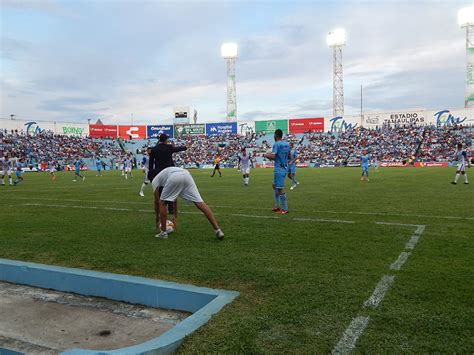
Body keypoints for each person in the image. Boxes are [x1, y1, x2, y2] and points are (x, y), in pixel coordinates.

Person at [151, 166, 224, 240]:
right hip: (187, 174)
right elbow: (174, 199)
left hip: (175, 176)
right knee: (200, 203)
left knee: (162, 202)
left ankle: (163, 233)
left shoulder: (155, 180)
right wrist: (175, 216)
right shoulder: (164, 175)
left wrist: (157, 218)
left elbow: (157, 202)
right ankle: (218, 230)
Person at [148, 134, 187, 214]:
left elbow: (151, 163)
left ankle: (159, 208)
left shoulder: (154, 149)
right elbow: (177, 149)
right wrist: (185, 147)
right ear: (166, 140)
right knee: (170, 190)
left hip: (158, 172)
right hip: (169, 172)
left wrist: (151, 172)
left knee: (159, 190)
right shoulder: (169, 147)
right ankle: (171, 209)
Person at [264, 129, 290, 214]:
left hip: (279, 169)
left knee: (280, 188)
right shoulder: (287, 144)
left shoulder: (276, 144)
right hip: (284, 167)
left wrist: (266, 155)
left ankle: (285, 209)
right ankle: (277, 206)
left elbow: (274, 157)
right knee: (274, 185)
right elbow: (289, 156)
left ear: (275, 135)